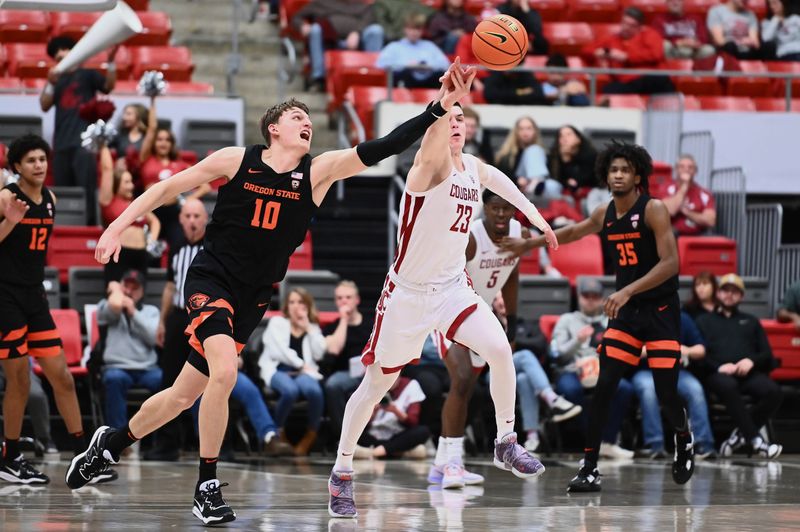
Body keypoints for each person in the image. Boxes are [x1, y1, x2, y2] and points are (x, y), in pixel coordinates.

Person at [69, 61, 474, 525]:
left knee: (183, 395)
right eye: (298, 117)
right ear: (273, 129)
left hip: (253, 296)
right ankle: (207, 486)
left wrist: (439, 109)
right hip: (211, 281)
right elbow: (167, 188)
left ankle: (110, 444)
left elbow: (383, 147)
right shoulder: (234, 160)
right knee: (225, 370)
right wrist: (117, 228)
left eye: (308, 118)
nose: (306, 123)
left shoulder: (318, 172)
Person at [328, 61, 561, 519]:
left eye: (461, 118)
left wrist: (539, 220)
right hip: (408, 295)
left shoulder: (473, 168)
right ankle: (342, 472)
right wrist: (445, 98)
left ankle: (505, 441)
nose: (455, 122)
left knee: (499, 349)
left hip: (453, 287)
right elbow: (433, 129)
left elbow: (505, 185)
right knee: (377, 385)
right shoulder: (426, 169)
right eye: (448, 117)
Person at [520, 140, 695, 492]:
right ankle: (589, 467)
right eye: (613, 169)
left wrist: (628, 289)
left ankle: (683, 436)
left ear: (637, 176)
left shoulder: (654, 209)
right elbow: (573, 231)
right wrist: (532, 242)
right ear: (605, 174)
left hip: (660, 312)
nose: (618, 175)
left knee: (665, 394)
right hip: (628, 315)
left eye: (625, 170)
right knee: (604, 388)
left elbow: (671, 264)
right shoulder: (605, 212)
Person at [429, 190, 579, 490]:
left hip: (479, 314)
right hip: (448, 311)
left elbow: (511, 275)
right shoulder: (471, 239)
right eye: (495, 208)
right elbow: (445, 279)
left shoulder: (519, 235)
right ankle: (454, 462)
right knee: (459, 380)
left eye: (506, 209)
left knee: (469, 386)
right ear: (484, 208)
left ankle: (439, 466)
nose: (500, 214)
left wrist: (510, 319)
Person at [0, 135, 104, 484]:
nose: (39, 165)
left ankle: (82, 457)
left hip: (34, 298)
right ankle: (11, 457)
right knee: (19, 380)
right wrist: (10, 221)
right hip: (5, 299)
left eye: (42, 159)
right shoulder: (5, 198)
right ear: (16, 166)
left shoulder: (50, 198)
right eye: (30, 160)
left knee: (61, 377)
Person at [545, 277, 635, 459]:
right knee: (571, 390)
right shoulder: (567, 320)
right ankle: (592, 442)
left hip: (601, 370)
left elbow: (620, 350)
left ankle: (608, 442)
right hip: (570, 369)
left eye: (595, 296)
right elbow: (557, 354)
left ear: (602, 299)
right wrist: (577, 341)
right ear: (579, 297)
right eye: (587, 295)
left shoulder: (610, 320)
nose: (590, 300)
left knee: (625, 388)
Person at [695, 274, 783, 459]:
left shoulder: (751, 321)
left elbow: (767, 354)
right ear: (718, 293)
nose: (729, 295)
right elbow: (700, 354)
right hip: (718, 374)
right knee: (728, 386)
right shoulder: (704, 321)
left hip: (748, 373)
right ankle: (756, 441)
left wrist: (751, 361)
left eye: (735, 292)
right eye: (725, 290)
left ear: (741, 296)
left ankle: (739, 437)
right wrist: (718, 367)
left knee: (774, 391)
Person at [148, 198, 207, 461]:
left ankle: (213, 446)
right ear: (181, 220)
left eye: (197, 216)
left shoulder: (213, 246)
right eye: (188, 216)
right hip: (177, 317)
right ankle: (167, 444)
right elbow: (170, 287)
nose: (192, 221)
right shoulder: (175, 247)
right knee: (169, 380)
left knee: (208, 382)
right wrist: (162, 320)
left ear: (205, 219)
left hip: (205, 318)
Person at [491, 293, 583, 454]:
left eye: (505, 296)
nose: (502, 300)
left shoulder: (525, 323)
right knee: (525, 355)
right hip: (494, 375)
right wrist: (514, 342)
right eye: (497, 297)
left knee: (523, 378)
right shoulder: (488, 324)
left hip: (519, 374)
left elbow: (541, 344)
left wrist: (513, 339)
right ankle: (552, 399)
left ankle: (532, 437)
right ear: (492, 304)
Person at [39, 36, 117, 225]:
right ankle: (64, 226)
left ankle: (89, 226)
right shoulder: (56, 81)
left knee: (86, 188)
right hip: (61, 145)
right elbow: (44, 105)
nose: (60, 54)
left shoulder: (88, 74)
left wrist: (112, 63)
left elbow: (108, 87)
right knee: (63, 191)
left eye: (64, 49)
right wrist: (50, 82)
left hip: (84, 145)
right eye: (56, 52)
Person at [632, 310, 717, 459]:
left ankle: (703, 444)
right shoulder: (640, 317)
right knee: (648, 390)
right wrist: (660, 350)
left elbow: (701, 349)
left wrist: (687, 350)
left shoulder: (682, 318)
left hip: (676, 372)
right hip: (647, 370)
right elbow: (630, 350)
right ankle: (655, 444)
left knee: (695, 389)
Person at [258, 288, 327, 456]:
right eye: (292, 302)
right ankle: (278, 433)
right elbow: (278, 351)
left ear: (307, 305)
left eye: (300, 302)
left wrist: (308, 328)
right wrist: (301, 364)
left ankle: (310, 436)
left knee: (315, 392)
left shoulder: (312, 327)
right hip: (279, 369)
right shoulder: (277, 323)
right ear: (286, 306)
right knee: (290, 391)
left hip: (303, 373)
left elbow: (320, 353)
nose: (296, 306)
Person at [96, 270, 162, 431]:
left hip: (147, 368)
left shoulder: (151, 311)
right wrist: (116, 291)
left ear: (143, 291)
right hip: (117, 367)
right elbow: (111, 310)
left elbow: (154, 338)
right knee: (114, 379)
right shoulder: (107, 306)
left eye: (135, 288)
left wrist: (133, 313)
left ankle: (157, 438)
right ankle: (117, 436)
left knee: (165, 381)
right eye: (126, 286)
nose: (129, 292)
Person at [140, 96, 204, 247]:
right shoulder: (146, 159)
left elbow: (205, 185)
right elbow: (151, 130)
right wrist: (153, 99)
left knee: (177, 245)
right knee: (149, 251)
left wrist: (188, 200)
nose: (163, 143)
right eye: (159, 139)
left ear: (172, 144)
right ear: (154, 142)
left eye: (167, 140)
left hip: (173, 213)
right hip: (150, 211)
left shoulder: (179, 164)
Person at [98, 144, 160, 286]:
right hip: (119, 255)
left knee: (138, 300)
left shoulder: (136, 204)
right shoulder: (109, 201)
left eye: (131, 181)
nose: (131, 185)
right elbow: (107, 170)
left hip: (141, 256)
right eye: (126, 182)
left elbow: (155, 222)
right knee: (117, 299)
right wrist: (103, 144)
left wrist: (151, 242)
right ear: (116, 184)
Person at [294, 0, 385, 90]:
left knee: (376, 30)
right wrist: (302, 26)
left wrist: (357, 33)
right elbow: (296, 17)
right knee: (315, 29)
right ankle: (318, 78)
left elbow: (368, 21)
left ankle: (372, 75)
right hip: (330, 39)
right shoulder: (320, 3)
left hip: (358, 39)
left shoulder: (364, 6)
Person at [583, 8, 675, 95]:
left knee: (661, 81)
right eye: (624, 23)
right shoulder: (612, 39)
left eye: (631, 25)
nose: (626, 28)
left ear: (640, 27)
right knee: (609, 90)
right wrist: (598, 53)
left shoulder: (649, 35)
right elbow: (586, 50)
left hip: (650, 77)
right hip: (626, 82)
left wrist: (626, 57)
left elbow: (656, 54)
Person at [322, 281, 373, 438]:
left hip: (370, 371)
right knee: (332, 385)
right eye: (340, 298)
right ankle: (343, 438)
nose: (344, 301)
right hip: (346, 373)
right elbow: (334, 349)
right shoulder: (333, 327)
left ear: (356, 300)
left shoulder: (371, 323)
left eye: (348, 297)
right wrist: (344, 320)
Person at [354, 375, 430, 460]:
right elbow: (359, 422)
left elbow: (413, 422)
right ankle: (396, 452)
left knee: (423, 431)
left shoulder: (411, 385)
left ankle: (374, 452)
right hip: (374, 435)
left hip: (397, 436)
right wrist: (373, 411)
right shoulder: (369, 384)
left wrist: (396, 411)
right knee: (350, 428)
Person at [376, 14, 451, 89]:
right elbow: (380, 64)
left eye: (417, 29)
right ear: (405, 29)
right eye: (411, 28)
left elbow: (445, 64)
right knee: (404, 74)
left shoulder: (430, 46)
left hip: (428, 82)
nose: (414, 32)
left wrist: (425, 66)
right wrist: (406, 65)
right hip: (405, 82)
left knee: (440, 76)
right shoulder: (394, 46)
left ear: (422, 30)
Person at [658, 155, 716, 236]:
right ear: (676, 170)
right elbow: (670, 210)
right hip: (673, 234)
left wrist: (687, 212)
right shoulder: (666, 188)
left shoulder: (704, 194)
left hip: (698, 235)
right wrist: (685, 185)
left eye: (690, 167)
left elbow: (710, 221)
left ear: (695, 171)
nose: (686, 170)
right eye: (682, 167)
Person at [547, 125, 598, 197]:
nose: (564, 138)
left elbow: (586, 180)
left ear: (578, 138)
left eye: (568, 134)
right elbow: (556, 179)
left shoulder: (591, 155)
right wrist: (565, 159)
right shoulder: (553, 157)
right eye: (561, 136)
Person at [483, 70, 548, 106]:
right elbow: (489, 94)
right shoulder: (496, 74)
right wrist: (520, 92)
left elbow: (538, 93)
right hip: (500, 111)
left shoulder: (526, 74)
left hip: (523, 110)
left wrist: (507, 94)